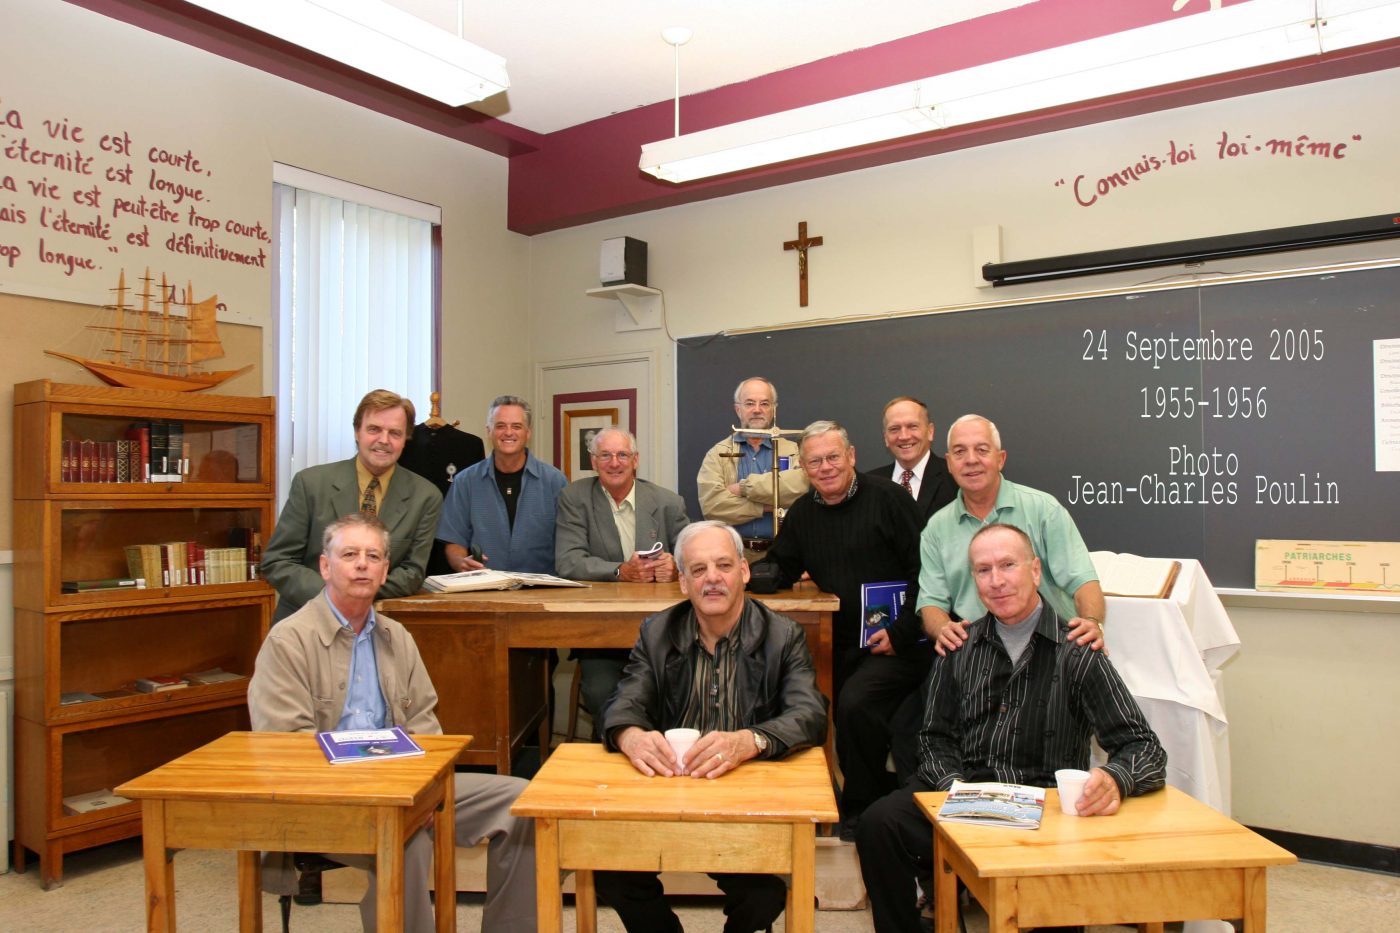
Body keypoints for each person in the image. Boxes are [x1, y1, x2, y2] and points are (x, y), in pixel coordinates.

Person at [857, 523, 1166, 933]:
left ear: (1035, 571)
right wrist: (957, 791)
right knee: (880, 823)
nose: (996, 581)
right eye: (983, 571)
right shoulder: (959, 647)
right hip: (966, 795)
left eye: (1008, 565)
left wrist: (1114, 777)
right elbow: (933, 740)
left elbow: (1144, 749)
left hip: (1046, 811)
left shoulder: (1078, 652)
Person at [248, 513, 536, 933]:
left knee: (522, 804)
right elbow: (286, 750)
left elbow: (426, 728)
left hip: (407, 787)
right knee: (406, 839)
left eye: (373, 556)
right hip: (329, 799)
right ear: (326, 567)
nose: (362, 564)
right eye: (350, 555)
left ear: (385, 570)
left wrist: (419, 791)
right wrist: (389, 797)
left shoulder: (397, 636)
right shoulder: (288, 642)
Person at [598, 521, 828, 933]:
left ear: (744, 571)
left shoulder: (782, 634)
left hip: (747, 802)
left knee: (764, 894)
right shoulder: (658, 632)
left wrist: (751, 740)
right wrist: (629, 734)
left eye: (723, 565)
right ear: (683, 582)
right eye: (699, 570)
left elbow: (809, 714)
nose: (713, 579)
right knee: (606, 863)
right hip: (672, 797)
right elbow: (624, 701)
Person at [754, 420, 927, 839]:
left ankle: (860, 812)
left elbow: (928, 572)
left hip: (902, 641)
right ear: (804, 468)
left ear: (851, 457)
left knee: (854, 703)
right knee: (801, 698)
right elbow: (782, 567)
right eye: (815, 461)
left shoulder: (889, 500)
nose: (825, 467)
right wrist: (738, 572)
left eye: (834, 457)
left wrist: (902, 632)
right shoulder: (803, 513)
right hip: (840, 642)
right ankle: (823, 800)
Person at [916, 414, 1106, 656]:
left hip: (1053, 648)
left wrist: (1092, 621)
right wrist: (942, 627)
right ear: (950, 464)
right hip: (980, 656)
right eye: (960, 452)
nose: (971, 460)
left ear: (1000, 459)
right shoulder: (936, 528)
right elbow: (930, 602)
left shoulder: (1044, 510)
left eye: (982, 450)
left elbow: (1083, 581)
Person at [262, 389, 442, 624]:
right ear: (357, 431)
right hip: (305, 622)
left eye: (395, 433)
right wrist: (335, 597)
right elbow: (278, 561)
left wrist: (358, 595)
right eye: (374, 429)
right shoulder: (311, 484)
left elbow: (412, 573)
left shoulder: (426, 497)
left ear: (406, 438)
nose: (384, 440)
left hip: (378, 629)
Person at [555, 425, 689, 731]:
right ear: (594, 461)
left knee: (678, 687)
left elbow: (694, 558)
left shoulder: (668, 502)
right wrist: (619, 571)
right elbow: (568, 561)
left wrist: (676, 568)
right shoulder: (574, 498)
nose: (614, 463)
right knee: (603, 692)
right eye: (605, 455)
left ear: (635, 460)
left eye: (622, 455)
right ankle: (615, 753)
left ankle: (665, 757)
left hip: (662, 634)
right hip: (601, 633)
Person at [436, 395, 567, 574]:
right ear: (488, 431)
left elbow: (568, 542)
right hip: (483, 589)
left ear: (528, 433)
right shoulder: (465, 482)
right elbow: (454, 540)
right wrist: (461, 562)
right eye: (500, 426)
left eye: (516, 426)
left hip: (541, 591)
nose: (508, 433)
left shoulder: (555, 482)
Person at [696, 376, 808, 562]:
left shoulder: (793, 451)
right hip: (733, 556)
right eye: (749, 403)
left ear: (773, 409)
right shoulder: (718, 454)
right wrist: (767, 506)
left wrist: (742, 488)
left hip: (785, 554)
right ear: (738, 409)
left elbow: (799, 490)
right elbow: (712, 506)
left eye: (764, 403)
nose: (757, 410)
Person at [866, 396, 958, 524]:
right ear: (885, 437)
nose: (904, 436)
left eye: (913, 426)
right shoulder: (869, 486)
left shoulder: (955, 477)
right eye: (894, 429)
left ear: (930, 431)